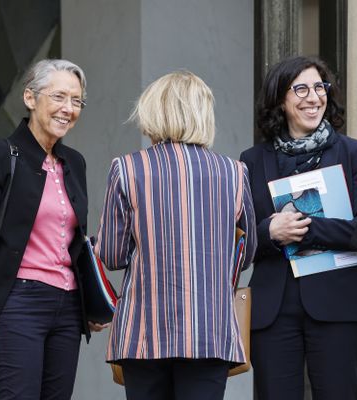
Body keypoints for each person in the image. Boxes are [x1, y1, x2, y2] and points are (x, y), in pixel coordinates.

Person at [95, 70, 257, 400]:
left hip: (143, 332)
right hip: (210, 328)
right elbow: (247, 249)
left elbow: (111, 255)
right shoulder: (233, 172)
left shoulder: (127, 168)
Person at [0, 58, 106, 400]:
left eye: (76, 101)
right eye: (58, 97)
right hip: (18, 303)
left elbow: (75, 242)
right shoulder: (0, 155)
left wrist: (91, 302)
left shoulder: (75, 162)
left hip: (68, 306)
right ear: (30, 98)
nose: (68, 109)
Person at [240, 56, 357, 399]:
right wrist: (269, 231)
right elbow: (238, 239)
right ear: (280, 100)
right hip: (273, 312)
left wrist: (303, 226)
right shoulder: (252, 161)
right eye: (300, 89)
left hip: (337, 309)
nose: (313, 97)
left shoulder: (353, 153)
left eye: (319, 87)